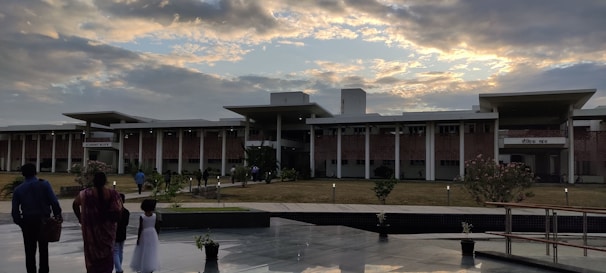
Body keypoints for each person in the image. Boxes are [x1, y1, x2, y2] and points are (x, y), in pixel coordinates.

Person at [11, 163, 63, 273]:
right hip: (44, 221)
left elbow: (15, 212)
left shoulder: (18, 190)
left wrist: (21, 223)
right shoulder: (45, 184)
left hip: (28, 222)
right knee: (44, 250)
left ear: (23, 174)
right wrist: (58, 216)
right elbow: (54, 202)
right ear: (35, 172)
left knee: (29, 252)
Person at [72, 172, 122, 273]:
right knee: (107, 263)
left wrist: (81, 218)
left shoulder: (85, 194)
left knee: (92, 264)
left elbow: (75, 204)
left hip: (91, 236)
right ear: (105, 181)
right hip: (107, 235)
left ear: (93, 181)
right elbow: (119, 211)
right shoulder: (113, 194)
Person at [130, 199, 160, 273]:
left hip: (144, 234)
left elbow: (140, 228)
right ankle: (150, 266)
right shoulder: (155, 216)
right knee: (151, 251)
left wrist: (138, 238)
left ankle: (143, 265)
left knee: (143, 250)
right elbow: (157, 226)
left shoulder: (142, 216)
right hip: (152, 233)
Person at [114, 193, 130, 273]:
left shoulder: (114, 212)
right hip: (123, 232)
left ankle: (118, 268)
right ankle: (119, 266)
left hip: (115, 233)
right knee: (120, 250)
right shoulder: (126, 212)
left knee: (115, 251)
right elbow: (126, 223)